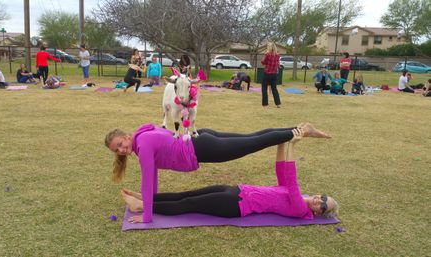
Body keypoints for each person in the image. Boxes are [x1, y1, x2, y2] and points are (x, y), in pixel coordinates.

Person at [104, 123, 331, 223]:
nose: (122, 150)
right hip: (202, 138)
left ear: (125, 136)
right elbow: (151, 175)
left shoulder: (142, 145)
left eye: (121, 144)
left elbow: (147, 179)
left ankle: (300, 130)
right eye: (118, 150)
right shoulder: (142, 137)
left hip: (203, 148)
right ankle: (300, 129)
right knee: (254, 137)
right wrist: (148, 198)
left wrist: (146, 215)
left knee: (256, 141)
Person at [261, 42, 281, 108]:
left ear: (268, 48)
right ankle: (278, 104)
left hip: (267, 73)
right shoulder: (277, 55)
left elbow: (263, 62)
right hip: (274, 74)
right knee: (274, 89)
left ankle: (265, 104)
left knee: (264, 89)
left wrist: (264, 55)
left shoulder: (267, 54)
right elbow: (278, 64)